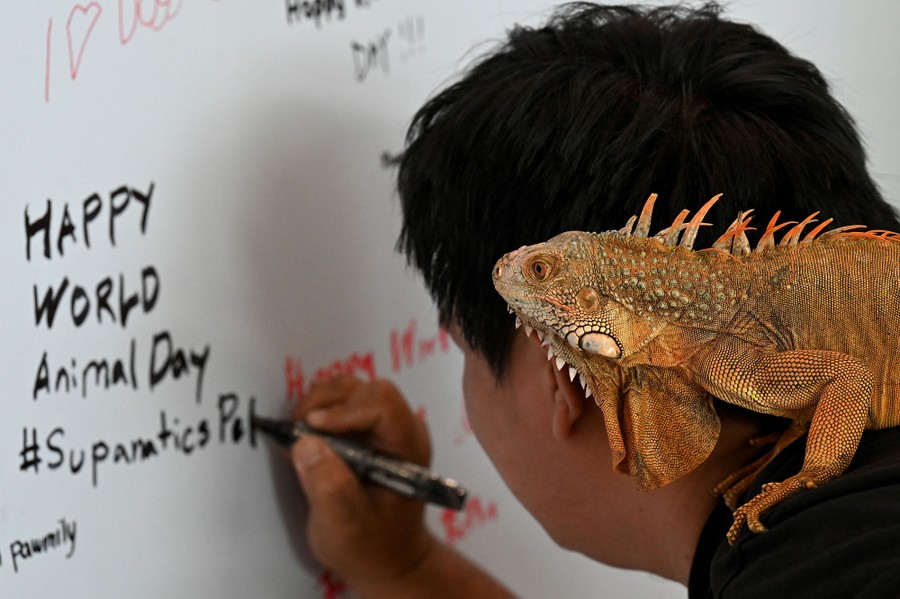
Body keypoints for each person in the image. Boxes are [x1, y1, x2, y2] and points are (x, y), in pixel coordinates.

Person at [289, 3, 900, 597]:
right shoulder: (836, 526)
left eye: (462, 350)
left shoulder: (802, 564)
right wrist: (406, 569)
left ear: (562, 383)